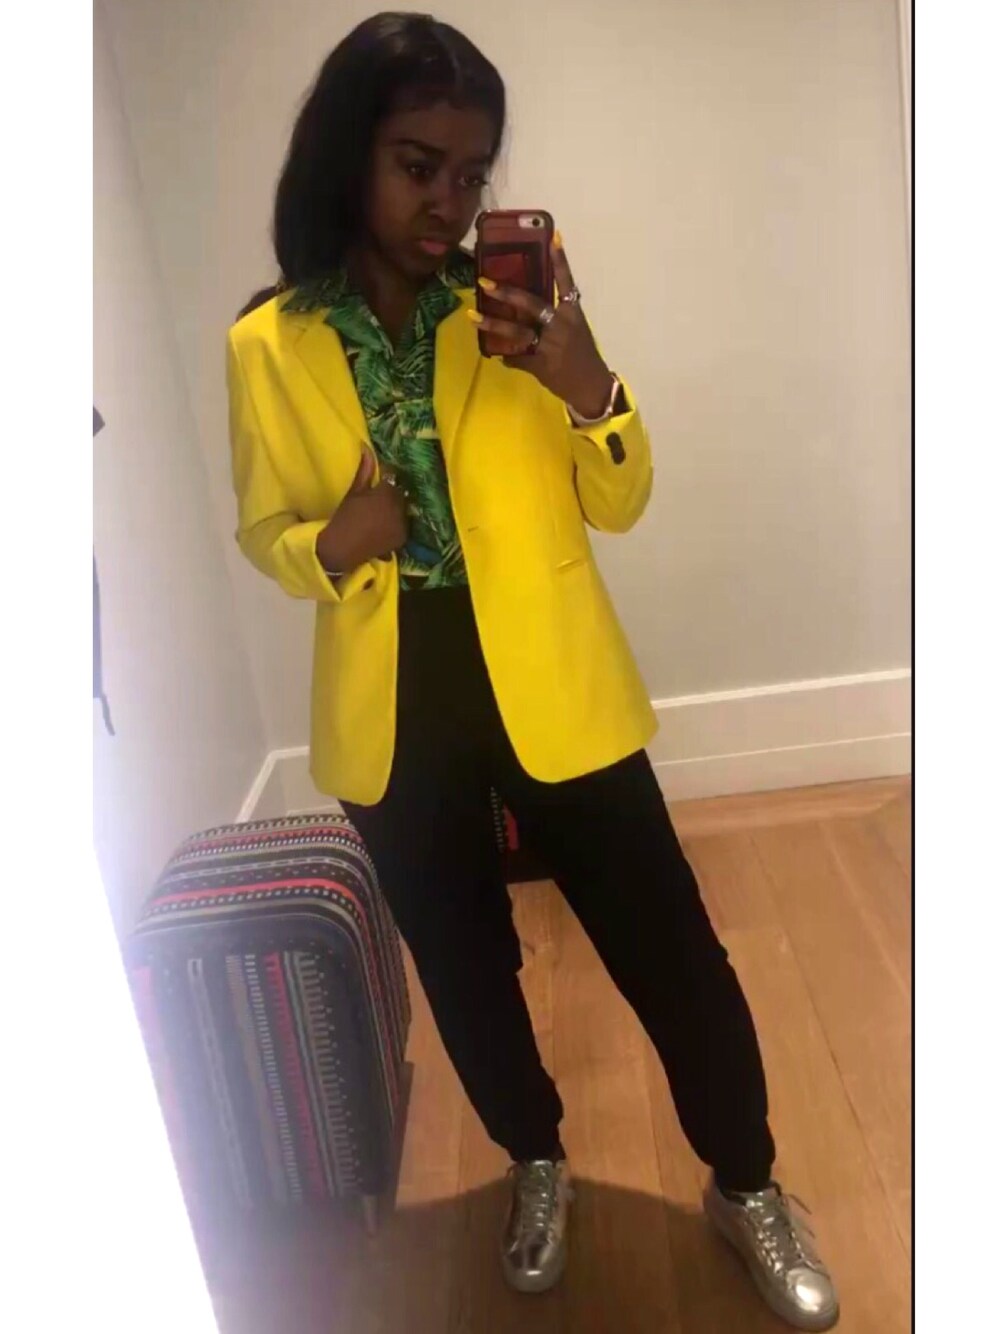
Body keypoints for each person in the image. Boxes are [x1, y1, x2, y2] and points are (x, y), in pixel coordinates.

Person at [226, 13, 839, 1330]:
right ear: (346, 153)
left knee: (675, 952)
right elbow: (265, 530)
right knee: (463, 966)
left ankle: (747, 1181)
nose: (450, 202)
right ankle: (536, 1159)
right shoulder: (265, 344)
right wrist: (332, 544)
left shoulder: (518, 305)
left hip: (556, 677)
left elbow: (621, 497)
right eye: (418, 165)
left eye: (471, 173)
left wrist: (587, 381)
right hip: (395, 701)